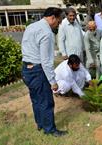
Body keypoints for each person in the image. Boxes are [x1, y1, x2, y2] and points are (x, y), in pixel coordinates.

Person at [21, 7, 67, 137]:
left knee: (36, 99)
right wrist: (53, 81)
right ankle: (50, 129)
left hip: (26, 69)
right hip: (38, 71)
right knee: (46, 101)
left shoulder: (31, 26)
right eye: (58, 21)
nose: (58, 24)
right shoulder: (47, 33)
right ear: (53, 18)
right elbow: (46, 61)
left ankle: (40, 124)